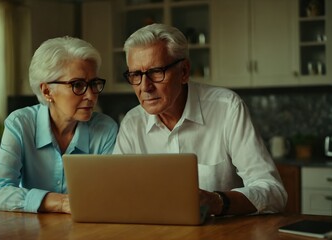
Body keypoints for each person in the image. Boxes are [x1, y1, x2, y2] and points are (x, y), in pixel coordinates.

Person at [113, 23, 287, 216]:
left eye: (156, 72)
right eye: (136, 74)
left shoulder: (227, 108)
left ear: (184, 71)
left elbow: (273, 192)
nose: (145, 87)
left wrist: (216, 201)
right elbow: (117, 193)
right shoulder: (132, 122)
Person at [0, 36, 118, 214]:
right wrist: (62, 202)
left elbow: (111, 195)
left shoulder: (105, 129)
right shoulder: (20, 124)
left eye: (94, 84)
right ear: (47, 91)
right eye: (78, 85)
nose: (91, 96)